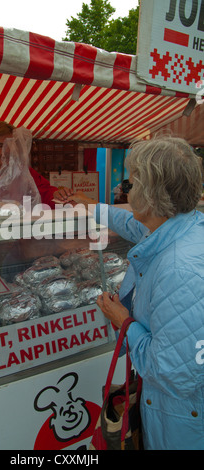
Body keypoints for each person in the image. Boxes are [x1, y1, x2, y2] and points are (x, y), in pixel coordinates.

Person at [74, 136, 204, 450]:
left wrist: (124, 322)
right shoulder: (183, 224)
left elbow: (172, 375)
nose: (128, 190)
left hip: (180, 424)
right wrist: (95, 209)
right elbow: (132, 225)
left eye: (133, 183)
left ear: (150, 194)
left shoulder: (179, 269)